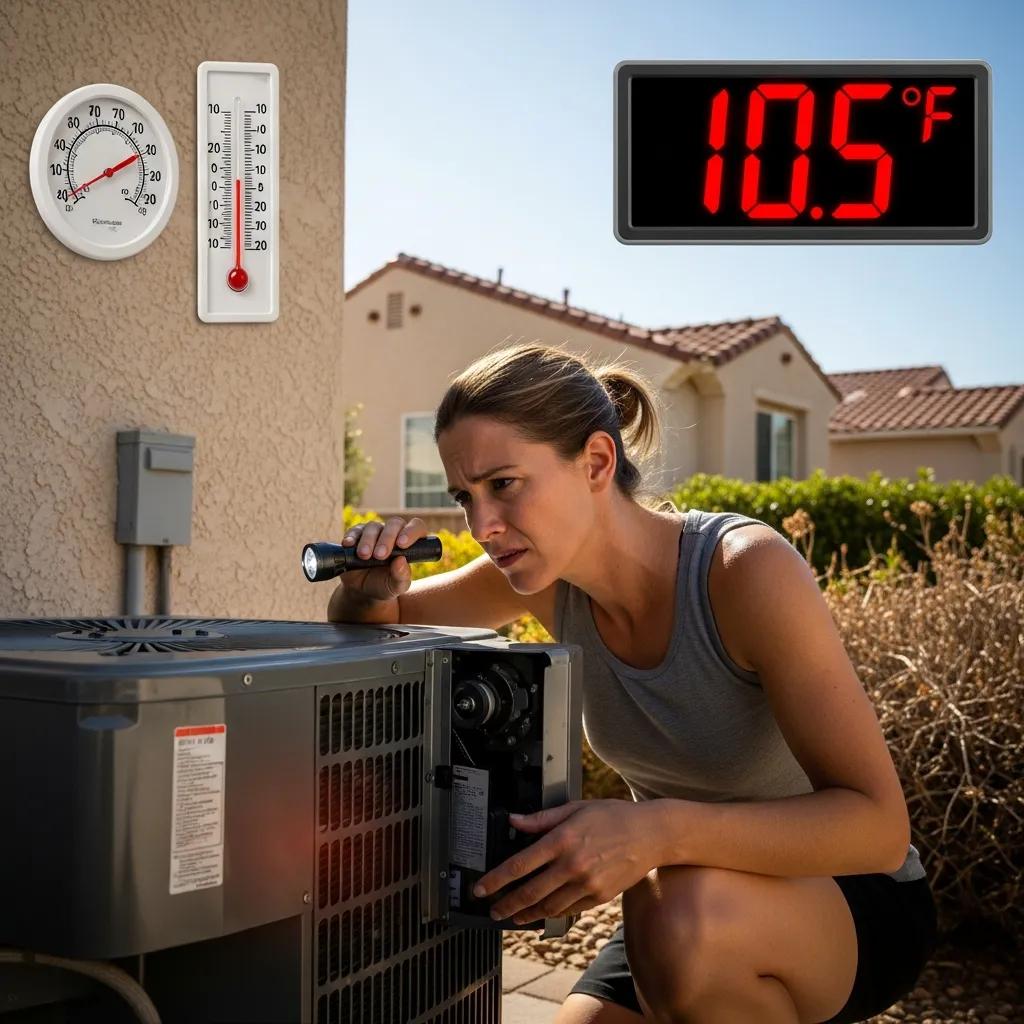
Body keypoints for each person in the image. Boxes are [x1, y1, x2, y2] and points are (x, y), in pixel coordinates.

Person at [327, 341, 938, 1024]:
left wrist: (653, 833)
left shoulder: (743, 572)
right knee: (673, 924)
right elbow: (382, 625)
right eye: (464, 497)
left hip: (846, 895)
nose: (483, 526)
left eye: (503, 484)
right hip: (681, 891)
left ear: (595, 462)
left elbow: (879, 828)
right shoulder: (543, 580)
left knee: (684, 921)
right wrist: (369, 588)